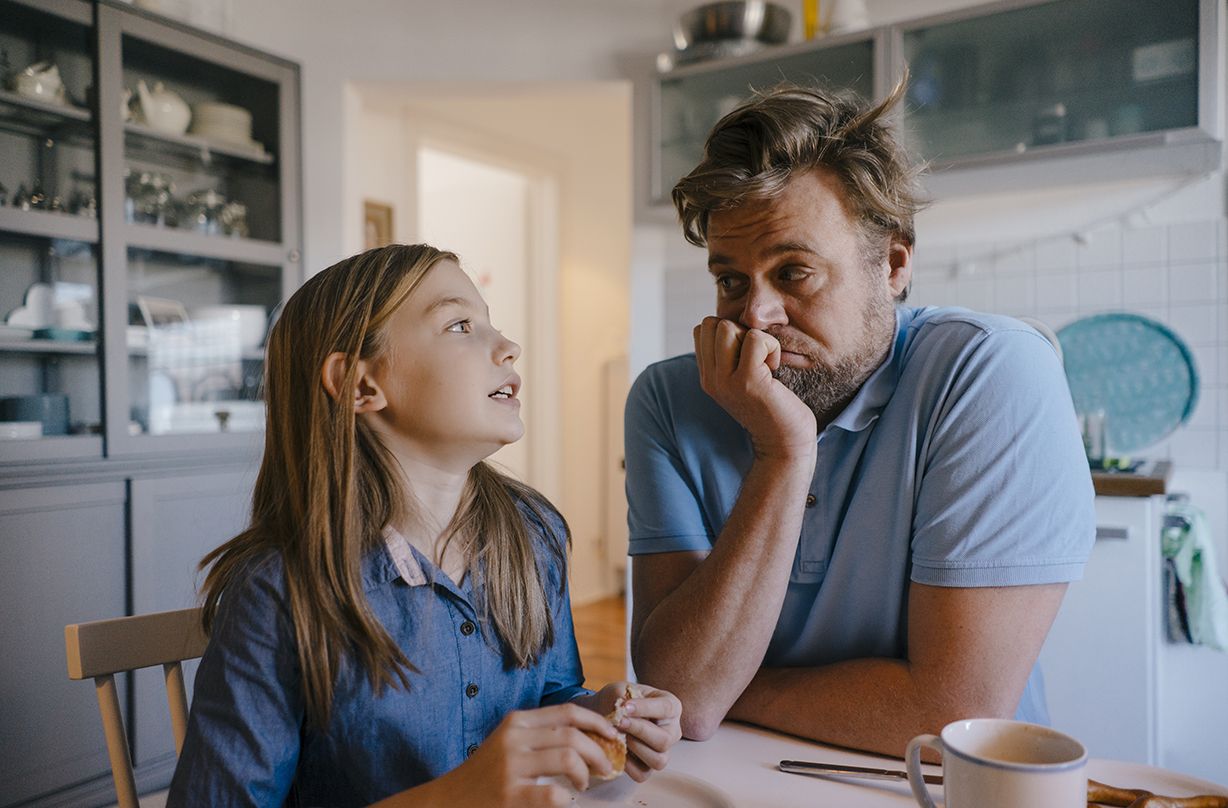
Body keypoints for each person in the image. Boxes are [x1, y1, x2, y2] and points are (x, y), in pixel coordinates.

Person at [624, 82, 1096, 758]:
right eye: (730, 279)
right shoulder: (668, 400)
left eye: (794, 272)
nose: (755, 316)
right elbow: (677, 692)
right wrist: (781, 455)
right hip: (734, 774)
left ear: (895, 264)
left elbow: (952, 715)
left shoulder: (991, 370)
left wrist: (722, 690)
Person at [169, 244, 682, 807]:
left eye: (491, 323)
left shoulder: (535, 534)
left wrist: (599, 716)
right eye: (461, 324)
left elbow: (550, 696)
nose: (509, 347)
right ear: (361, 386)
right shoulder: (277, 592)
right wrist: (456, 796)